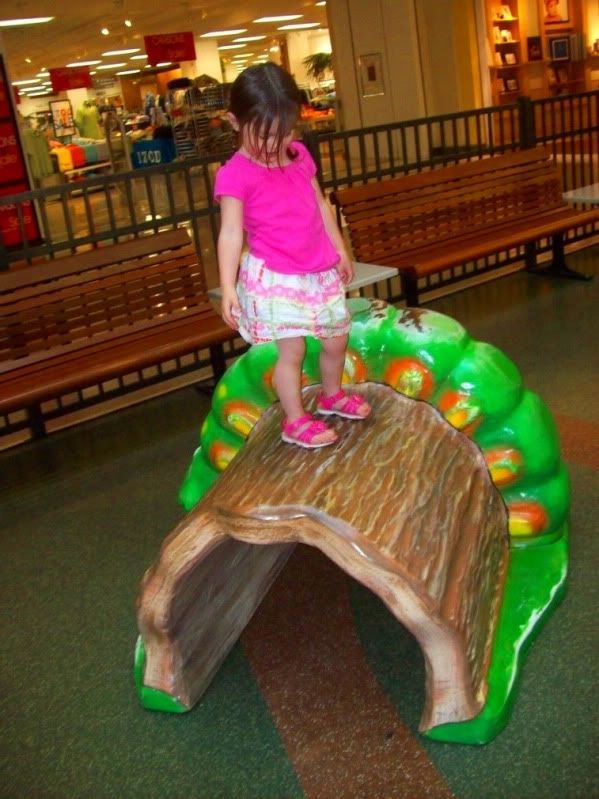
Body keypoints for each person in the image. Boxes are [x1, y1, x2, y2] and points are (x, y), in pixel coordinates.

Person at [214, 62, 371, 450]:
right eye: (266, 134)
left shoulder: (298, 155)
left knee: (337, 338)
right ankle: (296, 419)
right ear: (234, 121)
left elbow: (320, 204)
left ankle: (332, 394)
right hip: (277, 276)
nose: (276, 142)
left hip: (318, 268)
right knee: (294, 349)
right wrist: (227, 286)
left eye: (286, 130)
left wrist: (340, 248)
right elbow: (231, 232)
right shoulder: (235, 174)